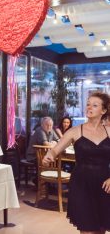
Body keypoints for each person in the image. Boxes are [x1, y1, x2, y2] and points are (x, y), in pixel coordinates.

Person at [43, 92, 110, 233]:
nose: (89, 107)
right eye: (88, 104)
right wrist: (49, 155)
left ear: (103, 110)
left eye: (94, 105)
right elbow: (55, 150)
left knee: (102, 228)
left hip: (105, 184)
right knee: (87, 228)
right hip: (81, 184)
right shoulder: (75, 131)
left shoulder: (109, 131)